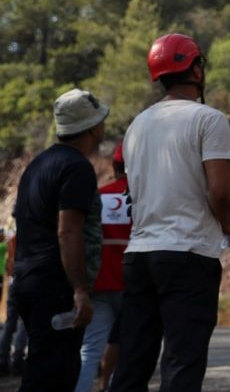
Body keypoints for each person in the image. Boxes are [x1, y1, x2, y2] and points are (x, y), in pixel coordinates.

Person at [109, 33, 230, 392]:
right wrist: (229, 223)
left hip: (139, 257)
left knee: (133, 361)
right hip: (188, 254)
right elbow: (220, 190)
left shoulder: (137, 125)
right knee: (183, 361)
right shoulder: (209, 120)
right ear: (195, 68)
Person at [12, 88, 108, 392]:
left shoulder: (38, 165)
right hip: (54, 285)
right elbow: (68, 231)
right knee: (55, 374)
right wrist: (80, 290)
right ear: (93, 127)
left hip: (28, 279)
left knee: (42, 369)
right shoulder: (77, 168)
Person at [76, 144, 130, 392]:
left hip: (98, 283)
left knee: (90, 349)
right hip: (133, 285)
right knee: (130, 348)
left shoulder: (99, 196)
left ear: (113, 166)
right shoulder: (144, 198)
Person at [0, 224, 27, 377]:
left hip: (13, 281)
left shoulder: (11, 240)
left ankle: (3, 360)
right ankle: (17, 360)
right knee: (23, 322)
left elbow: (7, 264)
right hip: (26, 280)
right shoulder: (31, 236)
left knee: (10, 323)